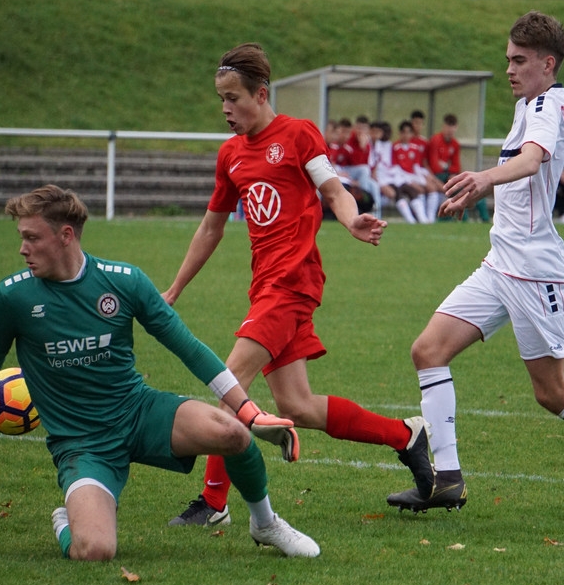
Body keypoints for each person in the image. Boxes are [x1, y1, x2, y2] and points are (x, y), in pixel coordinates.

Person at [387, 11, 564, 520]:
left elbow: (533, 159)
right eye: (508, 60)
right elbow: (523, 175)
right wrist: (477, 193)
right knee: (428, 350)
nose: (510, 69)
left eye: (519, 61)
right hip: (501, 262)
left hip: (536, 271)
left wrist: (482, 178)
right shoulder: (527, 103)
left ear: (547, 62)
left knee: (551, 391)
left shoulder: (547, 105)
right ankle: (447, 480)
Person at [0, 184, 320, 560]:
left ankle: (265, 523)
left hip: (137, 412)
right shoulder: (13, 297)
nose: (22, 249)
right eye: (21, 238)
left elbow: (187, 347)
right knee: (94, 550)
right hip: (82, 442)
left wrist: (248, 410)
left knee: (233, 433)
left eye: (31, 237)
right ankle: (67, 522)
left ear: (65, 235)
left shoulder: (123, 281)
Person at [162, 43, 433, 527]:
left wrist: (350, 221)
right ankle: (406, 435)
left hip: (292, 284)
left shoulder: (298, 135)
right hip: (264, 287)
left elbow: (333, 189)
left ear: (261, 94)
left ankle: (214, 502)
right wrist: (176, 288)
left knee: (230, 385)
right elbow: (211, 227)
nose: (225, 109)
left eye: (233, 98)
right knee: (298, 406)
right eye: (220, 99)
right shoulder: (230, 156)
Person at [427, 113, 490, 223]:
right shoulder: (435, 140)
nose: (450, 130)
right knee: (458, 191)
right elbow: (435, 166)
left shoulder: (455, 144)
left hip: (449, 177)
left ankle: (485, 219)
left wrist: (448, 169)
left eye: (453, 127)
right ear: (444, 126)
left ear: (456, 128)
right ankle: (462, 219)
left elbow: (456, 167)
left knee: (472, 188)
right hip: (436, 177)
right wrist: (449, 170)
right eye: (448, 127)